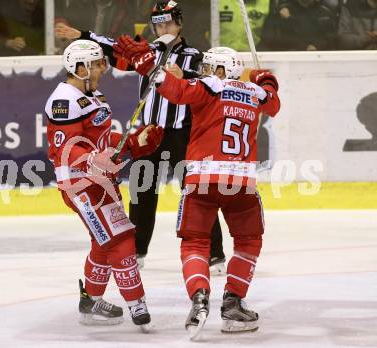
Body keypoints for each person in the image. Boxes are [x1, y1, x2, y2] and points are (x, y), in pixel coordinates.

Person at [114, 41, 280, 337]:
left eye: (207, 67)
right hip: (241, 182)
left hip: (202, 178)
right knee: (248, 240)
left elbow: (175, 90)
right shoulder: (254, 94)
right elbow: (274, 104)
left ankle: (199, 297)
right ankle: (233, 302)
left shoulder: (210, 87)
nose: (202, 72)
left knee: (194, 242)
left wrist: (149, 66)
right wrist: (266, 81)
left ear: (220, 70)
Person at [55, 0, 226, 275]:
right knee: (142, 192)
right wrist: (83, 36)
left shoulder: (195, 55)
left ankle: (215, 253)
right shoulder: (146, 52)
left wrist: (188, 75)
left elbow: (214, 84)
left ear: (179, 23)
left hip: (183, 133)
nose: (163, 28)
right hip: (150, 133)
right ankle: (137, 250)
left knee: (196, 195)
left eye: (168, 22)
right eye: (158, 24)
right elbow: (113, 47)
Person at [44, 40, 163, 330]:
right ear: (81, 68)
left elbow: (102, 140)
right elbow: (66, 151)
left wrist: (134, 143)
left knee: (104, 241)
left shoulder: (92, 94)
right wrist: (95, 160)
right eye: (97, 63)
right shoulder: (64, 100)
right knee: (120, 239)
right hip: (80, 185)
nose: (103, 68)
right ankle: (137, 304)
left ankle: (91, 302)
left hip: (100, 181)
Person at [259, 0, 339, 51]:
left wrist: (317, 46)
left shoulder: (324, 10)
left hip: (319, 57)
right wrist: (289, 19)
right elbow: (276, 38)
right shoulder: (283, 10)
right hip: (289, 56)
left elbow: (330, 36)